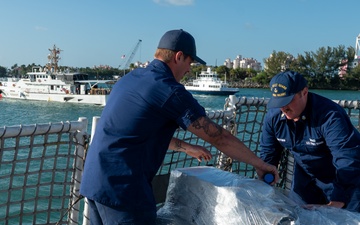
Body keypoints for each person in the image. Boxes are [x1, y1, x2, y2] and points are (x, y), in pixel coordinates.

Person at [80, 29, 279, 225]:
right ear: (178, 56)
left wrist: (187, 148)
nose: (189, 70)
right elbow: (219, 138)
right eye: (190, 62)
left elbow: (138, 133)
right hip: (123, 191)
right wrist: (260, 165)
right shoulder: (169, 90)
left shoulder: (131, 78)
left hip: (94, 180)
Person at [260, 70, 360, 212]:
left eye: (287, 101)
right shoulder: (274, 118)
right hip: (305, 179)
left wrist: (337, 202)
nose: (284, 108)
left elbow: (347, 158)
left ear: (304, 92)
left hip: (345, 180)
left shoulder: (330, 116)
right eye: (279, 103)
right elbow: (268, 155)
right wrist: (265, 183)